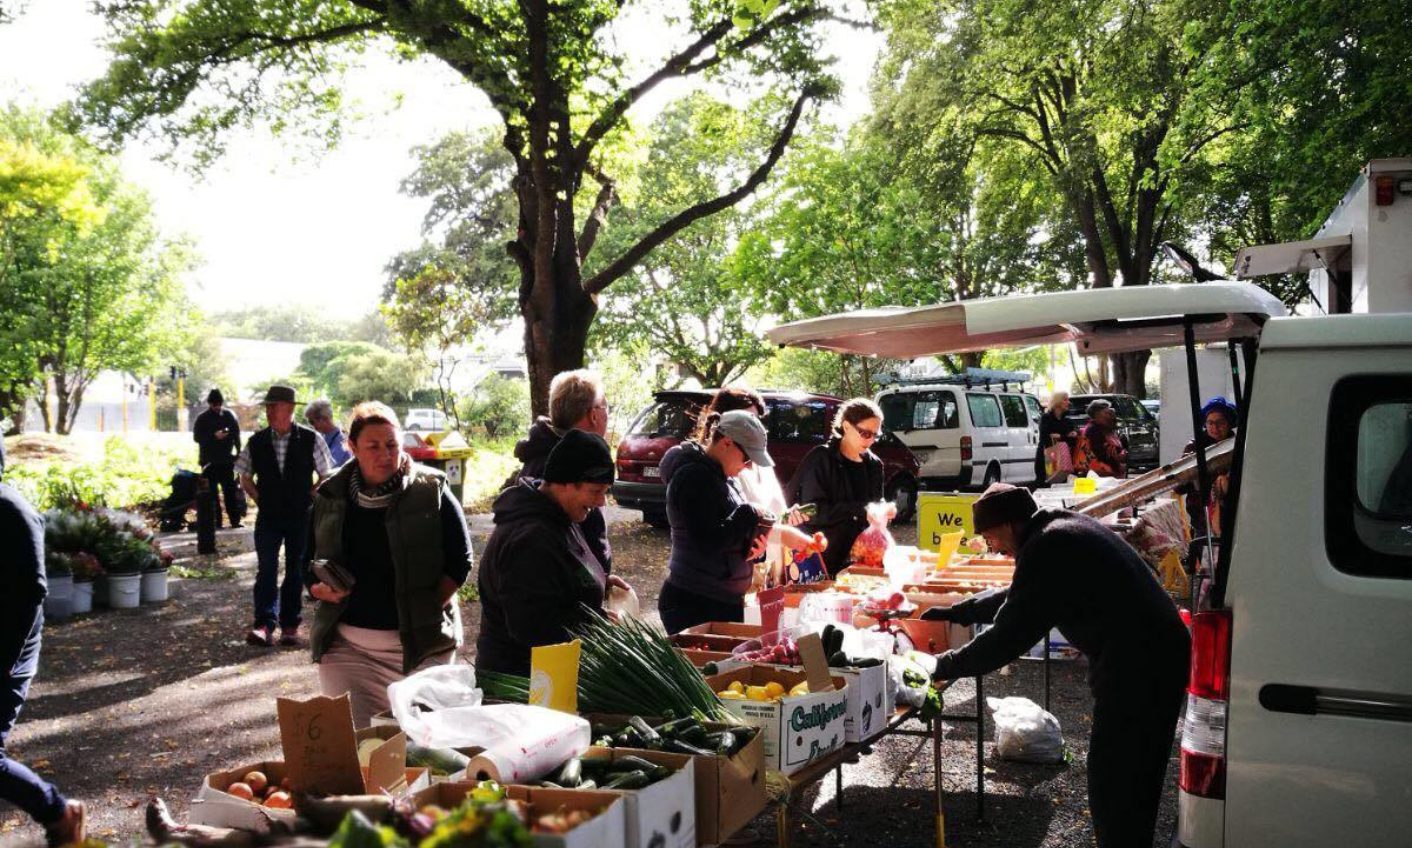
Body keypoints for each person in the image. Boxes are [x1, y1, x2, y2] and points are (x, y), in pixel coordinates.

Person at [922, 483, 1190, 848]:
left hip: (1141, 665)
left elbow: (1008, 636)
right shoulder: (1055, 532)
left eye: (988, 536)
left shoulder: (1049, 546)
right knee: (1130, 776)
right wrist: (960, 611)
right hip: (1152, 655)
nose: (991, 547)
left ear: (1008, 524)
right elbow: (1019, 594)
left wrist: (939, 666)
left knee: (1117, 780)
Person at [304, 402, 472, 727]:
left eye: (392, 445)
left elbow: (460, 560)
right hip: (348, 651)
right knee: (362, 750)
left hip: (421, 650)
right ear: (351, 447)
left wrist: (425, 606)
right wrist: (317, 588)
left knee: (424, 750)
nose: (386, 454)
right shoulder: (330, 496)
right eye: (374, 446)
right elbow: (305, 563)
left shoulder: (431, 490)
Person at [476, 430, 632, 675]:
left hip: (548, 674)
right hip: (521, 685)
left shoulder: (560, 515)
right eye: (595, 491)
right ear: (565, 483)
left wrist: (595, 580)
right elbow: (533, 628)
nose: (602, 502)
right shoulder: (529, 539)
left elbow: (559, 573)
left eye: (605, 492)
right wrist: (596, 622)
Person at [0, 441, 86, 846]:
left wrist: (5, 660)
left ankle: (59, 812)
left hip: (9, 649)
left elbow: (31, 593)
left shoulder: (11, 510)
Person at [678, 388, 813, 589]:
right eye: (748, 420)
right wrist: (779, 533)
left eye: (757, 421)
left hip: (766, 572)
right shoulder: (713, 474)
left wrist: (786, 518)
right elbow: (718, 537)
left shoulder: (753, 462)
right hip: (734, 583)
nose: (754, 428)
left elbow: (768, 513)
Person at [235, 385, 335, 648]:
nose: (268, 411)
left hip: (300, 515)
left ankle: (290, 625)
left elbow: (327, 475)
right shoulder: (257, 441)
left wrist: (311, 496)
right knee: (266, 569)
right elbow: (244, 476)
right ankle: (264, 625)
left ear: (289, 409)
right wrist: (258, 498)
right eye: (267, 406)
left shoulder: (311, 439)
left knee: (296, 569)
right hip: (268, 516)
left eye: (272, 406)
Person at [658, 410, 775, 633]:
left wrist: (756, 546)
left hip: (722, 600)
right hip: (694, 602)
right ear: (726, 443)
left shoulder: (727, 480)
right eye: (747, 457)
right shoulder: (693, 478)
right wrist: (750, 512)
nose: (749, 466)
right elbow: (708, 542)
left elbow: (731, 534)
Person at [502, 369, 612, 574]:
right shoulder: (563, 467)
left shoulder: (540, 452)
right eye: (606, 407)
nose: (600, 500)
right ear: (593, 415)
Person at [786, 398, 886, 575]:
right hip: (821, 558)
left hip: (859, 560)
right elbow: (812, 512)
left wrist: (883, 511)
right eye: (865, 433)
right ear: (847, 426)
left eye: (876, 435)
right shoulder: (821, 458)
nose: (870, 440)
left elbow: (876, 506)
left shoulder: (875, 465)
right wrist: (861, 510)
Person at [1182, 396, 1238, 544]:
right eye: (1210, 423)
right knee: (1205, 551)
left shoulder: (1238, 447)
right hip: (1201, 511)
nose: (1215, 427)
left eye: (1220, 422)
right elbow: (1180, 486)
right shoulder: (1194, 448)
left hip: (1233, 512)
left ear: (1229, 423)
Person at [192, 388, 246, 528]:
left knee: (230, 491)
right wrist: (213, 436)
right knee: (212, 494)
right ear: (209, 404)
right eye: (214, 404)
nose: (217, 407)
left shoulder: (229, 415)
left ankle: (235, 520)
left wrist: (238, 452)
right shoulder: (202, 418)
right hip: (209, 461)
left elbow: (236, 434)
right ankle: (217, 521)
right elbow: (197, 438)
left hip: (226, 460)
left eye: (219, 404)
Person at [1075, 399, 1127, 478]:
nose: (1109, 415)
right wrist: (1116, 462)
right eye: (1106, 412)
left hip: (1107, 471)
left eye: (1109, 412)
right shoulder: (1093, 429)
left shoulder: (1106, 428)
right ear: (1097, 414)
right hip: (1099, 472)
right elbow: (1100, 452)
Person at [1034, 390, 1078, 485]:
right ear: (1057, 402)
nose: (1068, 402)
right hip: (1047, 457)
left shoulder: (1068, 421)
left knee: (1063, 485)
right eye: (1065, 400)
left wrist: (1060, 436)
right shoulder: (1046, 418)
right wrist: (1066, 436)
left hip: (1064, 460)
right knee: (1045, 484)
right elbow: (1045, 437)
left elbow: (1074, 438)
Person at [304, 398, 352, 467]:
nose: (311, 426)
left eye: (311, 422)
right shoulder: (323, 437)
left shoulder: (341, 441)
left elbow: (332, 470)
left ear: (325, 418)